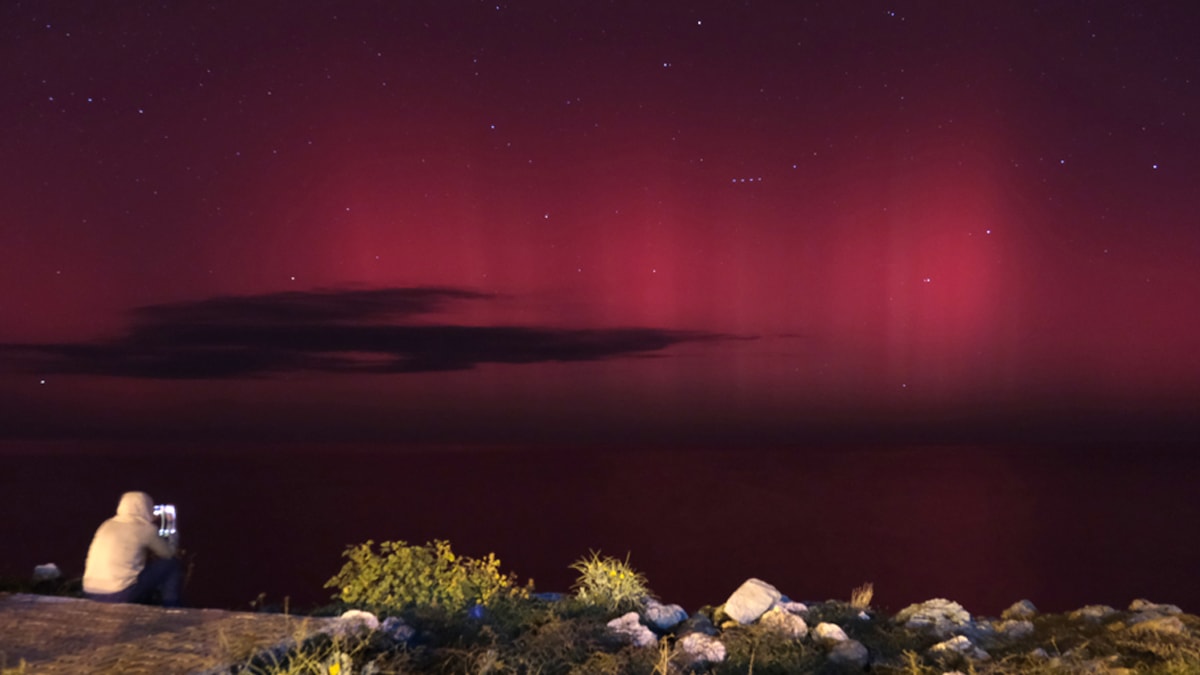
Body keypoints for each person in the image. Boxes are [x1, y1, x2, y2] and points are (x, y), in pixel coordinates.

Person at [82, 491, 183, 607]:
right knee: (171, 564)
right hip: (118, 594)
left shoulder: (107, 525)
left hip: (91, 592)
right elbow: (168, 554)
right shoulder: (146, 529)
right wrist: (171, 527)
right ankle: (172, 606)